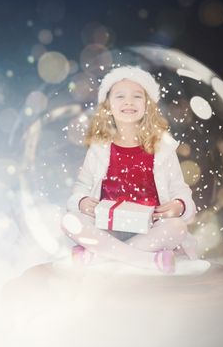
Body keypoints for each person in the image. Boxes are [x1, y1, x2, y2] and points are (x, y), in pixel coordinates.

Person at [61, 66, 198, 274]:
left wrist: (179, 205)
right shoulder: (99, 148)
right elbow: (81, 187)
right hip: (106, 227)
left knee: (177, 227)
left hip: (149, 228)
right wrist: (81, 201)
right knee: (69, 221)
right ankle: (147, 260)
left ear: (147, 106)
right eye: (120, 96)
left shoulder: (162, 148)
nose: (129, 102)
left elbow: (180, 189)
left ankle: (98, 257)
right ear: (108, 105)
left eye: (137, 96)